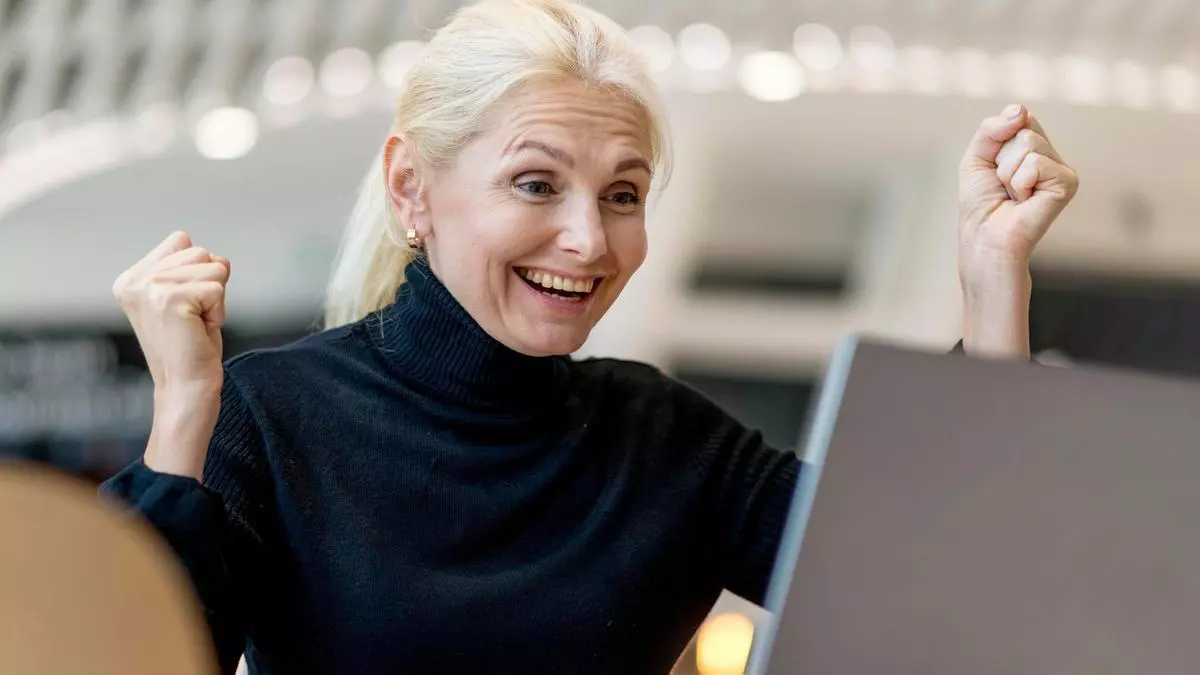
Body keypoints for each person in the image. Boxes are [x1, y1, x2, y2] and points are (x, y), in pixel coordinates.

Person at [99, 0, 1078, 672]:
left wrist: (993, 283)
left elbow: (942, 586)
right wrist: (185, 415)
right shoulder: (275, 415)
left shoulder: (667, 442)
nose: (588, 237)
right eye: (537, 182)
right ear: (412, 188)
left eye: (623, 194)